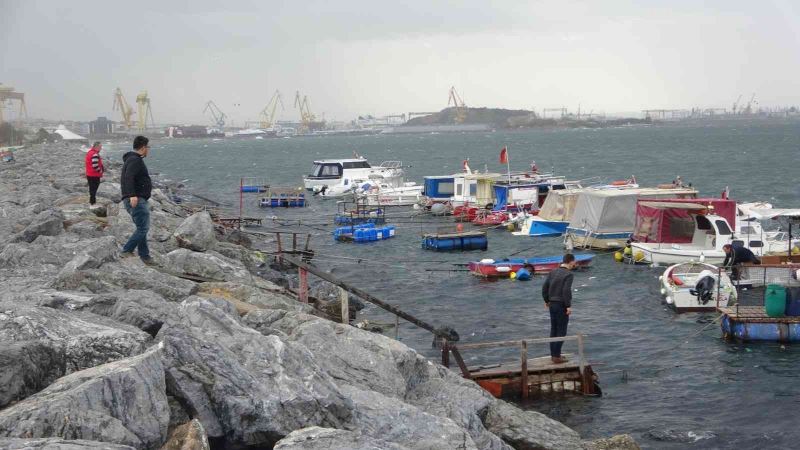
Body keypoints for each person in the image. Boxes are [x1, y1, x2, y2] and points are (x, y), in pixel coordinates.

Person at [120, 136, 154, 264]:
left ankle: (144, 256)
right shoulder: (135, 160)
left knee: (141, 228)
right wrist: (132, 195)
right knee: (143, 228)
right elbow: (128, 177)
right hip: (137, 199)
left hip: (135, 198)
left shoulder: (131, 159)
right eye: (148, 147)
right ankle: (126, 250)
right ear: (144, 147)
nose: (148, 150)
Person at [542, 253, 577, 364]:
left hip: (552, 304)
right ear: (570, 262)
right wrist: (568, 306)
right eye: (574, 262)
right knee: (562, 331)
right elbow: (566, 291)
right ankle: (556, 357)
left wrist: (547, 300)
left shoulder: (553, 271)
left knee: (554, 329)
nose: (574, 264)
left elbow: (545, 287)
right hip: (561, 305)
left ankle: (554, 355)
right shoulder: (569, 274)